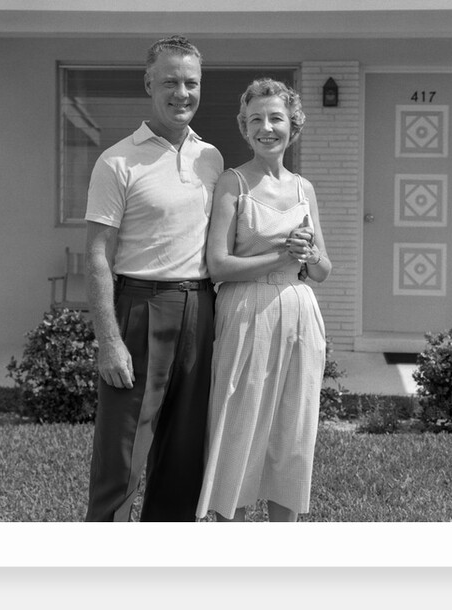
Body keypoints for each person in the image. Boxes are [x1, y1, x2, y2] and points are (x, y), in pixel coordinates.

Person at [84, 35, 223, 522]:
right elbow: (97, 254)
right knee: (122, 460)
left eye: (191, 82)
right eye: (170, 81)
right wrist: (109, 342)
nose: (181, 92)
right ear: (148, 83)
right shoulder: (118, 161)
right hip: (142, 308)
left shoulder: (212, 159)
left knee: (186, 459)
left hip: (201, 308)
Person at [195, 78, 331, 522]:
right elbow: (218, 266)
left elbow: (324, 270)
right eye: (256, 120)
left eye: (276, 118)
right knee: (240, 426)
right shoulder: (232, 184)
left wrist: (309, 256)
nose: (266, 128)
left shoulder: (303, 189)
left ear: (293, 125)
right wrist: (279, 256)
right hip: (246, 311)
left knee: (293, 431)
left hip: (300, 312)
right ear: (243, 127)